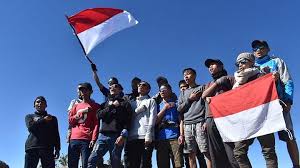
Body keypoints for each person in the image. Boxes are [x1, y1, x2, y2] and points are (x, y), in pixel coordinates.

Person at [251, 40, 299, 168]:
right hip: (262, 109)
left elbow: (287, 81)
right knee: (267, 144)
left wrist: (288, 101)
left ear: (268, 49)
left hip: (279, 104)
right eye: (255, 48)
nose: (258, 50)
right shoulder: (252, 67)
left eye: (261, 47)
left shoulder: (277, 61)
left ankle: (296, 165)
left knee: (289, 137)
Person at [232, 52, 278, 168]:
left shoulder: (261, 75)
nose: (240, 65)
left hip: (263, 118)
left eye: (243, 61)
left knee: (268, 152)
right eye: (238, 63)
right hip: (245, 121)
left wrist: (274, 79)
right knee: (239, 152)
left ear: (252, 62)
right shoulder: (236, 82)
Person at [201, 59, 239, 168]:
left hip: (227, 118)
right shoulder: (208, 84)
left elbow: (238, 93)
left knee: (232, 152)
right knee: (216, 154)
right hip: (210, 119)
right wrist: (217, 83)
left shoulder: (230, 78)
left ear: (221, 66)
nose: (210, 67)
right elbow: (204, 96)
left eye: (213, 64)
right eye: (209, 66)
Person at [88, 83, 133, 168]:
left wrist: (123, 135)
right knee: (91, 160)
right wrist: (112, 106)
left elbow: (128, 121)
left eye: (115, 86)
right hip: (102, 136)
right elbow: (98, 116)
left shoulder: (125, 104)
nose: (112, 87)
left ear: (120, 90)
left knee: (115, 163)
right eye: (111, 86)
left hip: (117, 137)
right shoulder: (104, 104)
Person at [177, 68, 211, 168]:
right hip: (187, 125)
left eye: (188, 74)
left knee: (206, 151)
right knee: (191, 154)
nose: (186, 76)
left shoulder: (202, 88)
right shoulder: (183, 93)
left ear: (194, 75)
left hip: (200, 122)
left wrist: (205, 121)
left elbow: (207, 105)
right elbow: (179, 109)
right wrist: (189, 99)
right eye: (184, 75)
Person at [125, 81, 157, 168]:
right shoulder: (132, 103)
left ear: (148, 89)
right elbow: (127, 118)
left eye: (144, 85)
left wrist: (149, 133)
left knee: (145, 163)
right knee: (133, 164)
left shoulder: (151, 101)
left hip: (145, 136)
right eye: (139, 85)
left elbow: (153, 117)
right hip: (132, 137)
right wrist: (136, 111)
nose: (140, 86)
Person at [68, 83, 100, 168]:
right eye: (81, 90)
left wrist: (93, 139)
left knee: (86, 164)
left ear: (91, 92)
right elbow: (70, 121)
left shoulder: (96, 106)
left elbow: (96, 124)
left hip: (87, 140)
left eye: (86, 90)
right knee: (72, 165)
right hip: (74, 139)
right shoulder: (75, 106)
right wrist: (81, 113)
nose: (83, 92)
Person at [25, 96, 60, 168]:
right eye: (37, 102)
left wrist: (57, 148)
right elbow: (31, 127)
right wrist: (44, 120)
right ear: (34, 105)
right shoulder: (29, 116)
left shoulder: (53, 118)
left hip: (48, 148)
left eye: (42, 102)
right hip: (32, 147)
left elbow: (56, 134)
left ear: (46, 105)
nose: (40, 103)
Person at [155, 83, 183, 168]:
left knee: (178, 165)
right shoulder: (157, 106)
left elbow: (181, 120)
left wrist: (181, 135)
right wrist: (165, 108)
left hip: (175, 137)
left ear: (170, 91)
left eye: (164, 89)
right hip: (160, 139)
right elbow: (155, 121)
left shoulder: (176, 104)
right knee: (162, 165)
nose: (162, 91)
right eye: (160, 90)